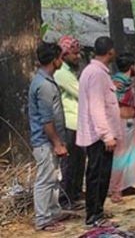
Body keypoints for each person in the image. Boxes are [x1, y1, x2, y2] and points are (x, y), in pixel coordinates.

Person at [77, 36, 120, 228]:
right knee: (98, 176)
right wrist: (106, 135)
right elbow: (96, 107)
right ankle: (94, 215)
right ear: (110, 51)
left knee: (99, 174)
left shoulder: (95, 72)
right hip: (98, 137)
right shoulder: (96, 74)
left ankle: (98, 212)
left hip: (98, 135)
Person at [29, 42, 68, 232]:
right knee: (45, 180)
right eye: (61, 58)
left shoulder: (45, 81)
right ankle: (43, 219)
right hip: (45, 142)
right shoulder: (44, 85)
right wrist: (57, 143)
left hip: (49, 141)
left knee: (53, 178)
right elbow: (47, 120)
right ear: (54, 60)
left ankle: (53, 212)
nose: (62, 61)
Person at [109, 53, 135, 203]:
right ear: (132, 66)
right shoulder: (118, 81)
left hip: (131, 120)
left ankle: (127, 184)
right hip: (122, 122)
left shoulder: (127, 81)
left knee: (132, 154)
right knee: (121, 156)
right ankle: (116, 189)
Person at [54, 36, 86, 211]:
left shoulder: (69, 72)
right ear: (64, 54)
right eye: (74, 53)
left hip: (76, 123)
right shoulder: (62, 74)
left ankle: (75, 194)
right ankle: (65, 200)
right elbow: (81, 92)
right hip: (68, 123)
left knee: (79, 161)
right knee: (69, 164)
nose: (78, 56)